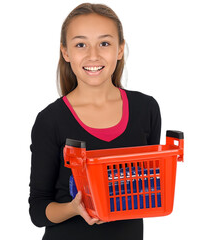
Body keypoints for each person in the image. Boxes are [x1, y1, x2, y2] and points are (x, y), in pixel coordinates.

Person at [28, 3, 161, 240]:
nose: (93, 55)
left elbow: (148, 188)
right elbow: (38, 210)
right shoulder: (50, 120)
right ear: (66, 52)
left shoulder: (146, 110)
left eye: (104, 43)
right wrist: (73, 208)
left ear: (120, 49)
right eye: (81, 44)